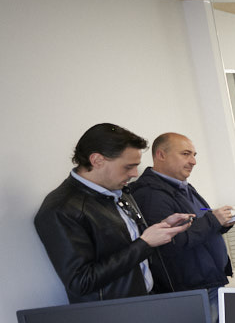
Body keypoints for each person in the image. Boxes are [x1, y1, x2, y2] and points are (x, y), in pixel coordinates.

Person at [35, 123, 192, 303]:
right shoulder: (62, 208)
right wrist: (145, 244)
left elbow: (125, 242)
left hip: (146, 301)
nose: (134, 173)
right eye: (128, 167)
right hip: (114, 317)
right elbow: (81, 282)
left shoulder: (119, 190)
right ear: (97, 160)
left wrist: (162, 227)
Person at [131, 133, 234, 306]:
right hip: (190, 289)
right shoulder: (150, 194)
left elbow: (201, 217)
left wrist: (221, 223)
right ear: (161, 155)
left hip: (210, 281)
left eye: (194, 155)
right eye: (186, 154)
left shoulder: (183, 186)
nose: (193, 161)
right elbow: (171, 242)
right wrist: (212, 220)